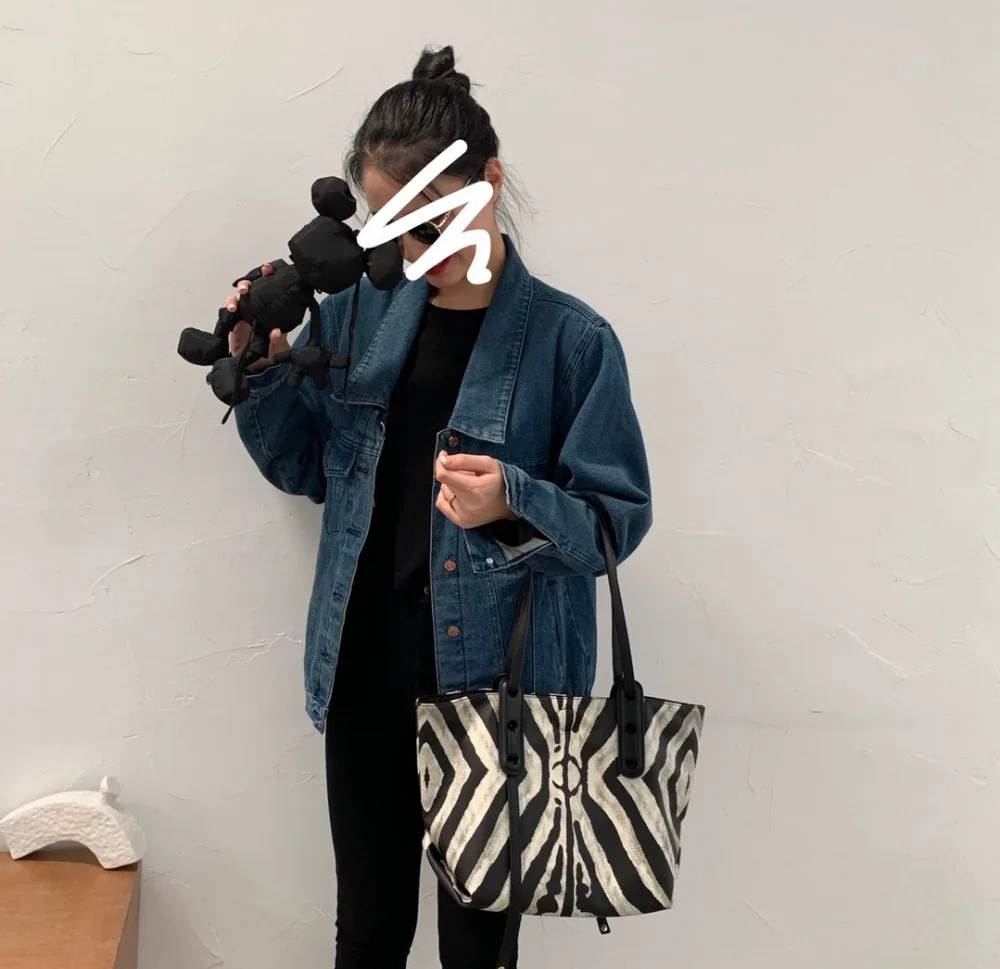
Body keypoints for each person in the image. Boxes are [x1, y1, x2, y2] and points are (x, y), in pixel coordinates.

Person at [223, 44, 652, 969]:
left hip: (501, 691)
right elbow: (309, 469)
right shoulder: (355, 319)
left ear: (488, 182)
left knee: (478, 950)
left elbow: (616, 521)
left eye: (435, 219)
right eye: (400, 230)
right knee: (368, 937)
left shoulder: (573, 342)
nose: (419, 251)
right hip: (365, 669)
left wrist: (513, 501)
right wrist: (262, 369)